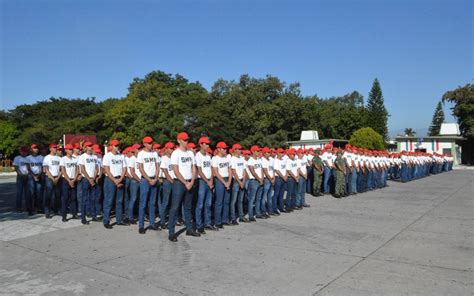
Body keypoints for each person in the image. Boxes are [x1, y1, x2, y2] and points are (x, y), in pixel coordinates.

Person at [168, 132, 199, 242]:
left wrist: (191, 181)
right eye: (184, 140)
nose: (186, 142)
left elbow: (194, 168)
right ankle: (171, 233)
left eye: (187, 140)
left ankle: (189, 229)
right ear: (179, 140)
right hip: (179, 183)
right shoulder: (176, 153)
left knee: (188, 207)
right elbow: (175, 170)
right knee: (175, 207)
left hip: (190, 182)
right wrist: (186, 183)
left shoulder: (190, 154)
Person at [136, 136, 160, 234]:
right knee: (143, 204)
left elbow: (157, 166)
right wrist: (149, 179)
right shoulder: (141, 154)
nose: (151, 145)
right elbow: (141, 168)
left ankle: (152, 223)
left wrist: (156, 178)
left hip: (154, 179)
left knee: (152, 203)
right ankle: (141, 226)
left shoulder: (154, 153)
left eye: (151, 143)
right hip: (145, 180)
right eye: (149, 143)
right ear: (144, 144)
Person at [102, 139, 127, 228]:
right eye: (115, 145)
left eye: (118, 145)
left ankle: (119, 220)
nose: (117, 147)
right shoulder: (107, 156)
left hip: (119, 178)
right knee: (109, 201)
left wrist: (120, 179)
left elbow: (124, 168)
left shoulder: (121, 156)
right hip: (110, 180)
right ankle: (106, 221)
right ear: (111, 146)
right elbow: (106, 169)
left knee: (119, 201)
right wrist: (115, 180)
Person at [195, 137, 215, 233]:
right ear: (201, 144)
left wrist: (211, 180)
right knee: (200, 204)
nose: (207, 145)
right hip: (202, 182)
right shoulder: (198, 156)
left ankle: (207, 223)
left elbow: (211, 169)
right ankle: (199, 225)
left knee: (208, 204)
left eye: (208, 144)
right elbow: (199, 170)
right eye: (206, 144)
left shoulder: (208, 156)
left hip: (209, 181)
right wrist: (207, 181)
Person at [212, 141, 233, 228]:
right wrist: (225, 183)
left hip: (227, 179)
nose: (225, 150)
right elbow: (216, 172)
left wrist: (229, 181)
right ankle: (218, 221)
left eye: (226, 148)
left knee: (227, 201)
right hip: (219, 181)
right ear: (219, 149)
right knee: (219, 202)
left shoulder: (227, 158)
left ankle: (225, 219)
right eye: (224, 148)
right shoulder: (215, 159)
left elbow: (230, 170)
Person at [77, 142, 98, 225]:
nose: (90, 148)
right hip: (86, 179)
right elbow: (82, 169)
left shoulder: (95, 157)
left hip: (93, 179)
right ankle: (83, 217)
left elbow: (97, 168)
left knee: (93, 198)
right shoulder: (82, 157)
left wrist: (94, 177)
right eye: (89, 146)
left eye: (91, 146)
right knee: (84, 199)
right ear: (85, 148)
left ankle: (93, 215)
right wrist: (89, 179)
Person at [60, 144, 79, 222]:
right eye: (70, 149)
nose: (71, 151)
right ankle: (64, 216)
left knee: (73, 198)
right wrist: (69, 180)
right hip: (66, 180)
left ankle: (74, 213)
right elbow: (63, 171)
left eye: (72, 149)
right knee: (65, 198)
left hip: (73, 179)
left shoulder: (75, 159)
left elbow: (77, 170)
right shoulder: (63, 159)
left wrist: (74, 180)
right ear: (66, 150)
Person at [42, 144, 61, 218]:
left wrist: (58, 178)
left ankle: (57, 210)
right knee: (48, 195)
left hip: (57, 178)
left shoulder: (59, 158)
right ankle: (47, 211)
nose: (55, 149)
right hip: (50, 178)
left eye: (56, 148)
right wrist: (53, 178)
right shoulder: (47, 158)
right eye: (54, 148)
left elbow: (61, 169)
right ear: (50, 149)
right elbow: (46, 169)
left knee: (57, 195)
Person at [230, 143, 247, 223]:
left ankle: (241, 216)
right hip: (236, 181)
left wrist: (243, 181)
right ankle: (233, 218)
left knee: (240, 200)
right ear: (235, 150)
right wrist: (239, 182)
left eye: (241, 149)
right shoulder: (233, 159)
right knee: (234, 200)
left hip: (241, 180)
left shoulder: (242, 159)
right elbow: (233, 171)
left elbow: (244, 170)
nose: (240, 150)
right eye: (239, 149)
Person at [247, 145, 264, 221]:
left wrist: (262, 179)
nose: (258, 152)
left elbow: (261, 170)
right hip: (254, 181)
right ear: (253, 151)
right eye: (257, 151)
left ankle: (258, 213)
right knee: (252, 199)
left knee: (258, 198)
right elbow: (252, 171)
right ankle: (250, 215)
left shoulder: (258, 160)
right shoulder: (250, 160)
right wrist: (259, 179)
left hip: (260, 180)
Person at [26, 144, 44, 214]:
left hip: (39, 175)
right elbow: (28, 168)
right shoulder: (28, 158)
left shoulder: (41, 157)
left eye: (36, 148)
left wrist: (38, 175)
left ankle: (38, 208)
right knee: (31, 192)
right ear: (31, 149)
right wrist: (33, 176)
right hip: (31, 176)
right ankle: (30, 209)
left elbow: (42, 168)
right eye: (34, 148)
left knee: (38, 193)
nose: (35, 149)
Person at [13, 147, 30, 213]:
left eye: (25, 151)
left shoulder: (27, 159)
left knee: (27, 193)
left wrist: (27, 174)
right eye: (23, 151)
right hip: (20, 177)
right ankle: (18, 208)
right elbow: (16, 168)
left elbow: (28, 168)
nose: (24, 153)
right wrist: (21, 175)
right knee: (19, 193)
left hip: (27, 176)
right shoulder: (17, 158)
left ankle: (27, 207)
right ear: (20, 152)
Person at [261, 147, 275, 216]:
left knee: (270, 196)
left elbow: (272, 170)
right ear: (264, 153)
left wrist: (274, 178)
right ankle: (263, 211)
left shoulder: (270, 160)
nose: (269, 153)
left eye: (269, 152)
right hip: (267, 180)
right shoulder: (263, 160)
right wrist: (271, 179)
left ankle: (270, 210)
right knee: (264, 196)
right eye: (268, 152)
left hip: (271, 179)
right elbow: (265, 172)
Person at [273, 148, 287, 213]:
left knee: (281, 194)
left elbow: (286, 169)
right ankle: (275, 208)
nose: (282, 154)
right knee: (276, 194)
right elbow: (276, 170)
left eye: (282, 152)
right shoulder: (276, 160)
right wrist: (283, 177)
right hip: (278, 178)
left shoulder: (283, 160)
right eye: (281, 153)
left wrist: (286, 176)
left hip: (283, 178)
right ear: (278, 153)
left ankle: (281, 207)